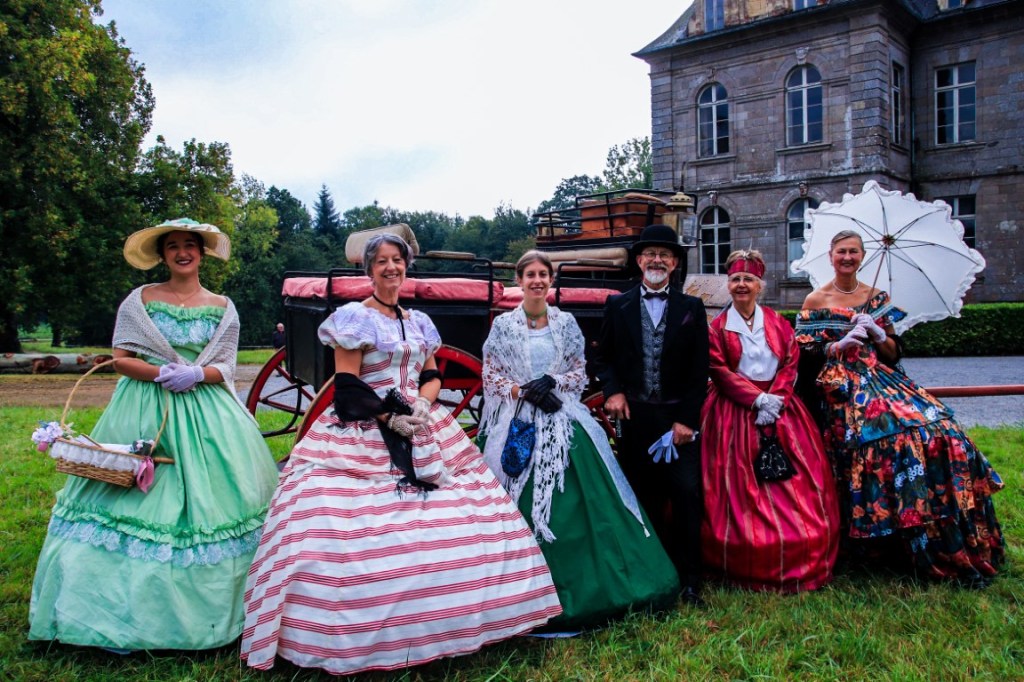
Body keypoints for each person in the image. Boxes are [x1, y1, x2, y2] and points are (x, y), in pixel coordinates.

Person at [240, 234, 560, 676]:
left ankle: (456, 618)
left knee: (464, 515)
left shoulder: (420, 321)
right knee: (340, 528)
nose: (391, 268)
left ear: (406, 267)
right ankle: (350, 630)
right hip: (367, 425)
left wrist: (425, 404)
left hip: (423, 424)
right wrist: (390, 419)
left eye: (398, 261)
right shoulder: (354, 319)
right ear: (369, 271)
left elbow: (431, 375)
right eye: (382, 262)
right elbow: (348, 388)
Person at [29, 218, 280, 650]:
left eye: (190, 246)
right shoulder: (139, 300)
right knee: (129, 489)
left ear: (202, 254)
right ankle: (110, 610)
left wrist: (197, 372)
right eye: (173, 247)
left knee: (218, 498)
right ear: (162, 256)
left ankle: (224, 610)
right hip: (144, 404)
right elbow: (121, 357)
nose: (183, 253)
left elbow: (226, 366)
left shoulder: (223, 305)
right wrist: (161, 371)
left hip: (207, 410)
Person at [479, 251, 680, 630]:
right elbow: (491, 375)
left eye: (543, 274)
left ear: (550, 280)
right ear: (519, 281)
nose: (537, 281)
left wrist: (552, 384)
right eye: (530, 275)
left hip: (562, 414)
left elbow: (577, 370)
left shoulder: (565, 322)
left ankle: (600, 586)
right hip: (519, 419)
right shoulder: (504, 325)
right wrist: (524, 391)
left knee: (587, 492)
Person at [795, 230, 1005, 587]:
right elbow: (803, 356)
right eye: (841, 251)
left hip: (883, 379)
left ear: (862, 257)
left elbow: (893, 355)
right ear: (830, 256)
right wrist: (837, 345)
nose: (847, 257)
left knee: (939, 430)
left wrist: (878, 334)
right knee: (889, 439)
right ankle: (877, 540)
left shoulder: (878, 298)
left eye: (854, 252)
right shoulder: (815, 299)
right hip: (839, 385)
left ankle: (945, 536)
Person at [700, 250, 839, 592]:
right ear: (728, 284)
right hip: (733, 413)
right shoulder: (717, 328)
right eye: (735, 279)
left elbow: (790, 363)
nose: (741, 285)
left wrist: (775, 400)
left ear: (760, 285)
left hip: (781, 409)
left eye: (748, 279)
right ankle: (738, 552)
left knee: (798, 484)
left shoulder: (777, 323)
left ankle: (801, 546)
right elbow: (718, 370)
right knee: (732, 486)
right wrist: (755, 399)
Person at [594, 224, 710, 606]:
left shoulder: (692, 308)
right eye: (650, 254)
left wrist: (687, 421)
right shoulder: (617, 305)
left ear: (674, 263)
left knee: (686, 495)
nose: (657, 259)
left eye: (665, 254)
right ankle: (649, 576)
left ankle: (691, 580)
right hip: (637, 418)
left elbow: (699, 371)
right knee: (640, 495)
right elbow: (604, 357)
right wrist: (612, 391)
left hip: (678, 421)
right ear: (640, 261)